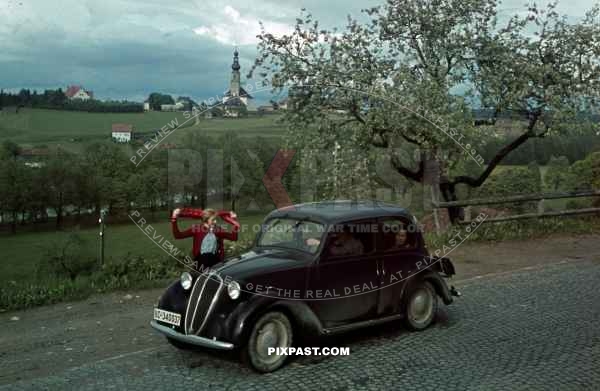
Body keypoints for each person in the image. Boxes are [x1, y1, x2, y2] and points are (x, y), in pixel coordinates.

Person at [171, 207, 240, 268]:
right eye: (213, 220)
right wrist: (174, 221)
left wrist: (234, 221)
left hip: (215, 264)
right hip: (200, 264)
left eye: (216, 219)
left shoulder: (218, 230)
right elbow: (178, 236)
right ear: (206, 220)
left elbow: (233, 238)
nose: (215, 222)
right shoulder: (196, 229)